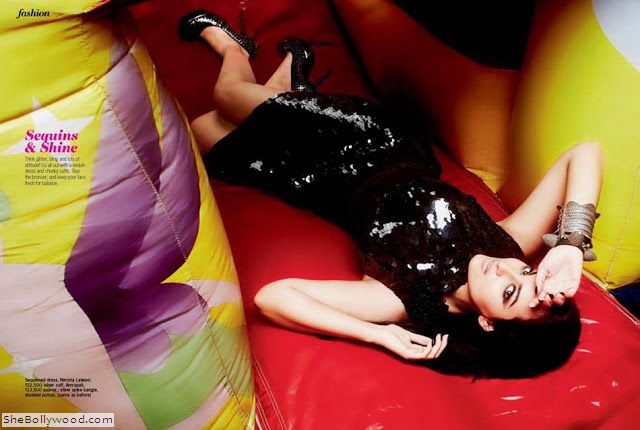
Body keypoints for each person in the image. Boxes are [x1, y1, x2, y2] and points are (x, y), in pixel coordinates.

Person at [178, 9, 604, 378]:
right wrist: (570, 244)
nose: (507, 272)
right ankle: (236, 48)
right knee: (227, 96)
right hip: (370, 139)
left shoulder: (407, 300)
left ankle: (289, 91)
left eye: (510, 294)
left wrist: (377, 334)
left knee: (203, 129)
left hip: (317, 180)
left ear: (488, 324)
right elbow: (584, 153)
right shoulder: (508, 244)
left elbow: (271, 298)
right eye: (526, 273)